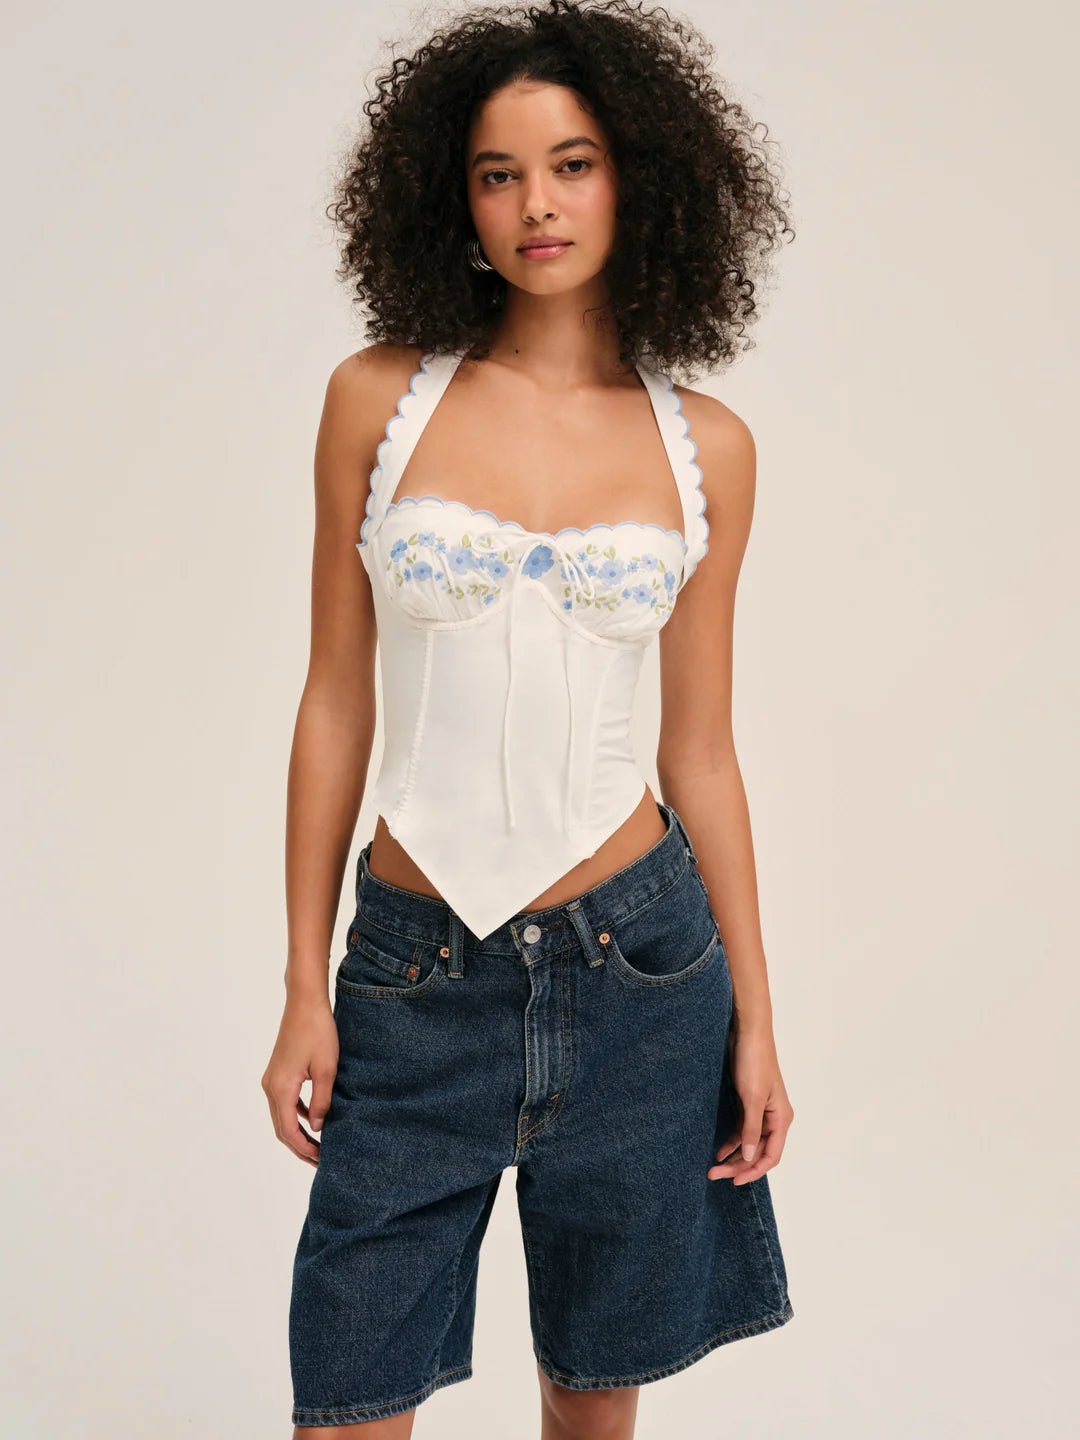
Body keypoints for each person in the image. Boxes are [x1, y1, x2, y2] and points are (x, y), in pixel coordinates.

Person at [262, 1, 798, 1433]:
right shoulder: (375, 401)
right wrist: (305, 981)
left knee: (592, 1405)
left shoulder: (710, 447)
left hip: (642, 971)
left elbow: (703, 752)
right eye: (499, 175)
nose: (537, 205)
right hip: (414, 969)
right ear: (456, 198)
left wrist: (756, 1019)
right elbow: (333, 702)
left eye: (572, 164)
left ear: (641, 179)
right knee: (347, 1400)